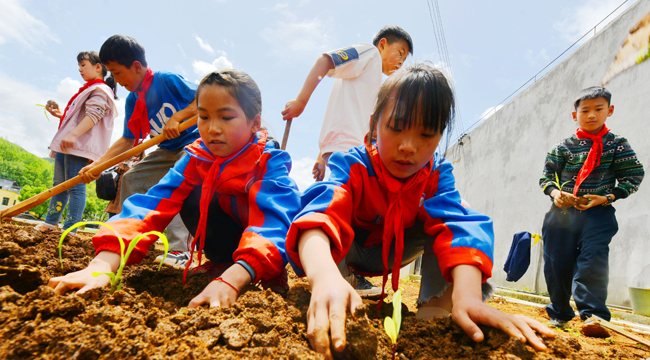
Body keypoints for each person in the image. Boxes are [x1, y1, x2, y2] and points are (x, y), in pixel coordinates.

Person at [285, 63, 555, 359]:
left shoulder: (437, 174)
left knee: (457, 213)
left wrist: (469, 296)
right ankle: (339, 291)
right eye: (396, 128)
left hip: (397, 252)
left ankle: (434, 317)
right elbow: (319, 213)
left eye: (426, 134)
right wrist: (324, 277)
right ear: (375, 124)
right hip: (348, 251)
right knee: (326, 222)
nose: (408, 146)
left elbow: (458, 226)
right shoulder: (351, 164)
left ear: (440, 136)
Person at [48, 69, 301, 306]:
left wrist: (233, 280)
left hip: (258, 244)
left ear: (255, 123)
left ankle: (265, 270)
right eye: (203, 117)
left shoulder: (269, 162)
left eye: (226, 117)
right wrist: (101, 265)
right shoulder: (195, 158)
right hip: (224, 242)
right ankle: (222, 261)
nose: (212, 128)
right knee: (190, 192)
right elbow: (151, 205)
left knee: (268, 214)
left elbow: (275, 222)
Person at [282, 24, 413, 298]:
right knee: (340, 205)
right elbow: (326, 61)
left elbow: (344, 110)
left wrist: (320, 156)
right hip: (349, 149)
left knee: (352, 211)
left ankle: (348, 271)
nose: (401, 61)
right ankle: (340, 273)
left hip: (353, 149)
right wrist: (301, 101)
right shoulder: (368, 54)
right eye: (399, 52)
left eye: (405, 58)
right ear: (382, 44)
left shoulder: (375, 82)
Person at [78, 35, 199, 269]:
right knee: (132, 178)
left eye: (117, 72)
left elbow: (203, 99)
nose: (116, 79)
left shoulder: (166, 80)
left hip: (193, 144)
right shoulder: (133, 100)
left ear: (135, 66)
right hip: (167, 150)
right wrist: (97, 165)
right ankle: (132, 238)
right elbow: (127, 140)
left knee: (177, 180)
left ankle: (182, 251)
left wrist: (179, 116)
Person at [539, 86, 644, 327]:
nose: (592, 115)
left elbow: (634, 175)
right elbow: (546, 177)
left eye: (599, 109)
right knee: (556, 262)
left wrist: (607, 197)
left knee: (592, 260)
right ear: (575, 115)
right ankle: (560, 312)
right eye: (585, 110)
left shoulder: (617, 144)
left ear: (610, 110)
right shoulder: (563, 146)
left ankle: (593, 318)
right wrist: (556, 194)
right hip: (562, 214)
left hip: (598, 214)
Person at [35, 51, 118, 235]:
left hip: (79, 146)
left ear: (98, 67)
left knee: (75, 187)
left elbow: (94, 115)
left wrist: (73, 135)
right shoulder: (88, 89)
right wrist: (60, 116)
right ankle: (50, 223)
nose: (80, 69)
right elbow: (79, 116)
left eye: (83, 65)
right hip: (70, 144)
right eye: (79, 65)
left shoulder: (100, 89)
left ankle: (70, 229)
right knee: (60, 185)